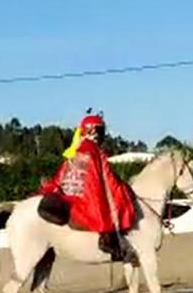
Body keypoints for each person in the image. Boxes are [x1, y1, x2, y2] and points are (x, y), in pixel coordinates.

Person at [36, 111, 137, 261]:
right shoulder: (92, 151)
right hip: (86, 198)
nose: (101, 135)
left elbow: (62, 176)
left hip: (71, 195)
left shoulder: (79, 149)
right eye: (100, 131)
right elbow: (104, 179)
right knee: (113, 204)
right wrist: (123, 188)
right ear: (92, 131)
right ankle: (111, 242)